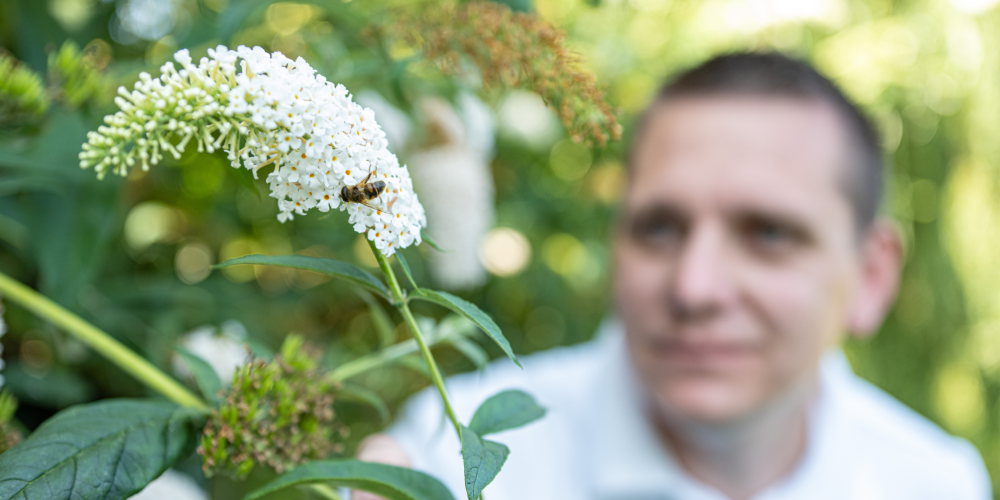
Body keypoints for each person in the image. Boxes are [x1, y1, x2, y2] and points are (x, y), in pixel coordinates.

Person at [354, 52, 993, 500]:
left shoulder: (933, 483)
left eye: (768, 234)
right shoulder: (459, 450)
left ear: (872, 277)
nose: (694, 287)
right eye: (660, 228)